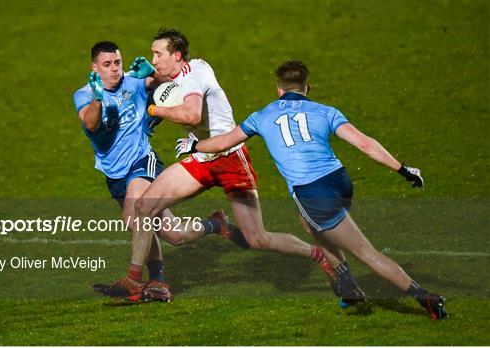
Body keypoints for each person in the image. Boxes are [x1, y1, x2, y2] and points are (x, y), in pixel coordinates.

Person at [175, 60, 447, 320]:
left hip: (313, 192)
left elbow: (223, 142)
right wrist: (403, 169)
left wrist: (193, 147)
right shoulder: (326, 111)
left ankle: (424, 298)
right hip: (339, 181)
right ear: (307, 88)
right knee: (308, 222)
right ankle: (347, 284)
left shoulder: (263, 116)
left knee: (366, 253)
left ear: (278, 89)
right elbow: (365, 144)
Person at [110, 29, 342, 303]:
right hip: (202, 158)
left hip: (231, 159)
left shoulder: (195, 76)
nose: (154, 58)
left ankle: (321, 257)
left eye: (158, 54)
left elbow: (193, 114)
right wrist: (153, 76)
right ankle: (135, 279)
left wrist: (154, 110)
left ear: (177, 55)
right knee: (143, 206)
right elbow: (173, 79)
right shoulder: (188, 69)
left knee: (258, 239)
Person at [73, 41, 245, 303]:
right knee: (173, 234)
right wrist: (98, 98)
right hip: (114, 175)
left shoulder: (134, 82)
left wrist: (154, 75)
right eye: (107, 65)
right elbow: (91, 123)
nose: (115, 69)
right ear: (94, 67)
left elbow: (175, 84)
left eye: (117, 63)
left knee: (134, 217)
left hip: (142, 163)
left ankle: (140, 281)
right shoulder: (85, 94)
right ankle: (216, 224)